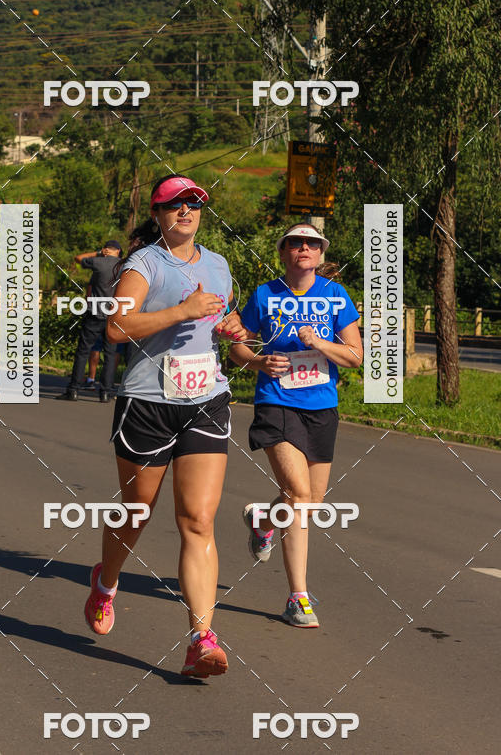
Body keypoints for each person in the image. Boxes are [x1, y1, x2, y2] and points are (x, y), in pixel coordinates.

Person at [83, 175, 244, 679]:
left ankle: (202, 638)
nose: (186, 211)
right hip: (149, 403)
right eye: (175, 205)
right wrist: (180, 310)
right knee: (136, 512)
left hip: (205, 400)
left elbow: (221, 320)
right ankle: (106, 581)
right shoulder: (144, 264)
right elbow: (116, 326)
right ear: (157, 214)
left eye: (194, 204)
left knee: (197, 520)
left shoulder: (218, 265)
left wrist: (231, 328)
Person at [229, 223, 362, 629]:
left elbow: (355, 356)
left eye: (311, 244)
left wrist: (320, 343)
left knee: (308, 503)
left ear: (320, 255)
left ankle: (263, 521)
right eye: (295, 244)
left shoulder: (335, 295)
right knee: (299, 495)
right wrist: (256, 361)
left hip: (322, 407)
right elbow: (237, 346)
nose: (303, 249)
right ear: (283, 253)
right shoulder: (264, 295)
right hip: (276, 402)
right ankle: (297, 598)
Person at [59, 240, 122, 403]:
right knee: (109, 354)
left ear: (106, 250)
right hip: (113, 315)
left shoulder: (98, 262)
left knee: (83, 351)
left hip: (94, 313)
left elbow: (78, 258)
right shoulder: (124, 266)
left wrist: (98, 253)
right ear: (119, 252)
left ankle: (73, 390)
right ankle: (106, 393)